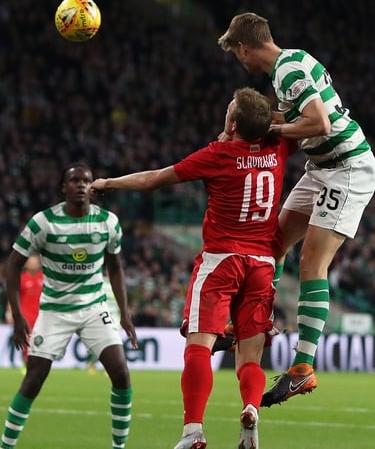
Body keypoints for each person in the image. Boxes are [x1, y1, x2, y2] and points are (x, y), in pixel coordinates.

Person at [92, 87, 296, 449]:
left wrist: (110, 182)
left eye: (229, 108)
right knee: (249, 356)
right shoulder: (278, 148)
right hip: (263, 263)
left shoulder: (218, 154)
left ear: (232, 123)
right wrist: (269, 126)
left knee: (198, 346)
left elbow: (154, 179)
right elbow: (299, 125)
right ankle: (250, 408)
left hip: (221, 261)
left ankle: (193, 431)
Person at [218, 12, 375, 407]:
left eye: (238, 55)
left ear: (245, 47)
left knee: (312, 262)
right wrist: (249, 119)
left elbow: (320, 123)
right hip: (321, 168)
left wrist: (269, 129)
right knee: (272, 242)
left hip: (346, 169)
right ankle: (253, 318)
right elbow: (299, 118)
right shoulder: (289, 67)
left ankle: (302, 368)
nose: (241, 63)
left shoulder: (289, 70)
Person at [0, 162, 139, 449]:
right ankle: (6, 446)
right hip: (54, 311)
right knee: (34, 378)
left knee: (121, 374)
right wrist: (15, 312)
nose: (81, 185)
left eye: (86, 181)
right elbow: (13, 266)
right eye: (74, 181)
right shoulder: (44, 222)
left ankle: (119, 447)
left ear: (92, 186)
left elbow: (115, 268)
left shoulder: (107, 222)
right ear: (64, 187)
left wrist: (124, 314)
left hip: (93, 308)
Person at [5, 254, 44, 368]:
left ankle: (37, 365)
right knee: (27, 342)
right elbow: (12, 297)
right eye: (31, 262)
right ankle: (26, 364)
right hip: (25, 315)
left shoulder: (44, 278)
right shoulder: (21, 278)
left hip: (41, 315)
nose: (33, 265)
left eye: (36, 262)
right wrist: (9, 313)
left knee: (40, 341)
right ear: (26, 264)